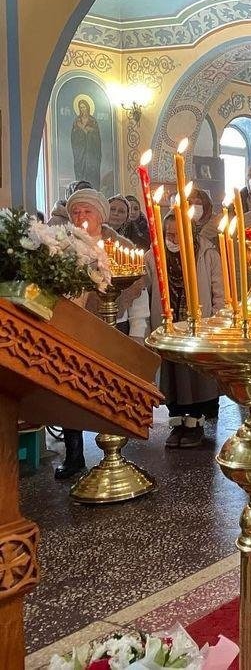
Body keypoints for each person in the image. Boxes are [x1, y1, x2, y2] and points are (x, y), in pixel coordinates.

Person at [55, 189, 146, 479]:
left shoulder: (119, 247)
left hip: (111, 328)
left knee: (108, 390)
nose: (81, 217)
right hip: (69, 326)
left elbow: (137, 291)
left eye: (87, 212)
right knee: (68, 390)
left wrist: (137, 332)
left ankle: (115, 453)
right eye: (76, 212)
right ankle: (74, 454)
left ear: (100, 215)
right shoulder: (59, 245)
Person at [154, 210, 226, 447]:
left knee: (194, 377)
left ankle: (195, 423)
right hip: (169, 322)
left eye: (177, 234)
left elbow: (219, 290)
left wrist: (217, 319)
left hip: (197, 323)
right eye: (168, 234)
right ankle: (176, 424)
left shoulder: (207, 254)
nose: (172, 239)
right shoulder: (155, 254)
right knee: (173, 375)